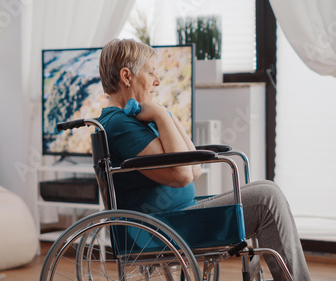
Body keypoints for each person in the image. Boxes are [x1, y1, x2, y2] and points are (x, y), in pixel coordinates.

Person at [97, 38, 311, 281]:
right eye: (151, 73)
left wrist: (164, 113)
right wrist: (159, 114)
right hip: (163, 229)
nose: (157, 81)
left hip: (177, 218)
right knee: (266, 200)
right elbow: (183, 174)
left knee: (267, 189)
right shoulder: (119, 124)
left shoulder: (127, 120)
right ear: (127, 76)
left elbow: (194, 168)